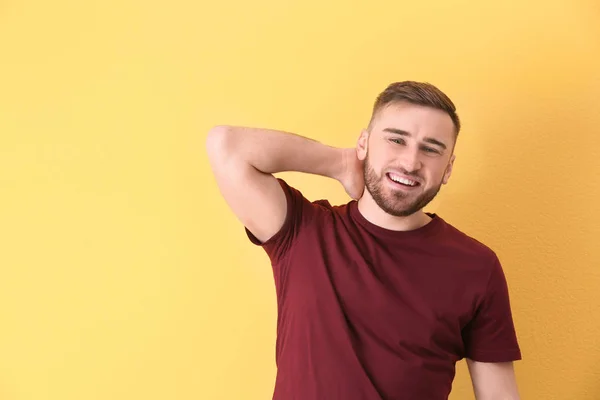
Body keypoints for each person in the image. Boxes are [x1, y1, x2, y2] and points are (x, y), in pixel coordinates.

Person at [205, 81, 522, 400]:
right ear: (364, 143)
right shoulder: (303, 230)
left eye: (431, 148)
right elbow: (226, 145)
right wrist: (340, 163)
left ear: (448, 168)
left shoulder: (476, 266)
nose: (411, 162)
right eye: (397, 140)